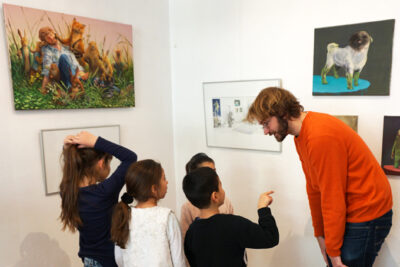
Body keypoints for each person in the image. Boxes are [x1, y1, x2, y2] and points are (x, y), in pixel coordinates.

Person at [247, 87, 393, 267]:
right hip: (353, 207)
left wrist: (333, 253)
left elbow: (332, 197)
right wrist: (320, 235)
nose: (265, 131)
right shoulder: (301, 135)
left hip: (367, 210)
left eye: (266, 123)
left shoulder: (319, 136)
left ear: (283, 113)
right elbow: (315, 189)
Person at [60, 131, 137, 267]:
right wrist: (96, 141)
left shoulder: (67, 192)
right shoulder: (103, 193)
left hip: (89, 260)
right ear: (101, 163)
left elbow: (71, 170)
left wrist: (68, 151)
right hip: (109, 261)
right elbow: (130, 158)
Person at [183, 167, 279, 267]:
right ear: (215, 196)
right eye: (221, 186)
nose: (223, 190)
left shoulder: (191, 233)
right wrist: (263, 208)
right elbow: (270, 237)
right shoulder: (234, 225)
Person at [111, 160, 186, 267]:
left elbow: (119, 259)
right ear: (154, 189)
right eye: (164, 178)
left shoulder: (125, 216)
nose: (167, 182)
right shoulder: (167, 217)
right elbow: (179, 261)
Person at [180, 153, 234, 239]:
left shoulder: (225, 202)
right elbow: (185, 238)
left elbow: (234, 231)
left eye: (214, 171)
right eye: (208, 171)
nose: (213, 175)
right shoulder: (187, 207)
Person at [38, 26, 88, 94]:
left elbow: (75, 63)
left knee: (96, 78)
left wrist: (82, 73)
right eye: (48, 38)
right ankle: (70, 88)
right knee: (63, 57)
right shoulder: (47, 51)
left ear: (54, 33)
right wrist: (43, 89)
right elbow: (47, 70)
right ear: (46, 41)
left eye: (50, 34)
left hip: (75, 75)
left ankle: (79, 85)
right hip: (63, 78)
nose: (51, 38)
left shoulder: (66, 47)